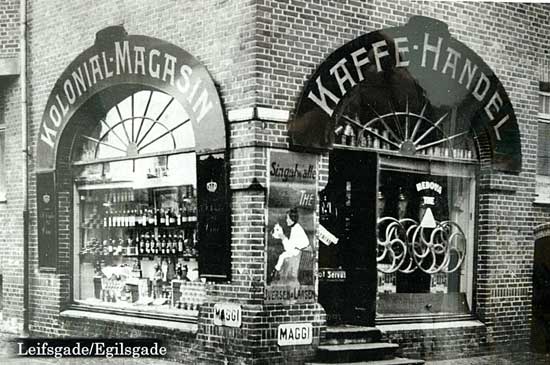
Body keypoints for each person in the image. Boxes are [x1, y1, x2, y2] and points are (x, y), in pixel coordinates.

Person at [271, 208, 310, 280]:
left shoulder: (296, 229)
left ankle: (277, 274)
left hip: (303, 255)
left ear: (292, 219)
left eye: (287, 218)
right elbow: (291, 246)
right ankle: (276, 272)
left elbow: (289, 248)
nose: (286, 220)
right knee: (282, 256)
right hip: (299, 252)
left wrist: (283, 238)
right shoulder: (295, 228)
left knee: (283, 258)